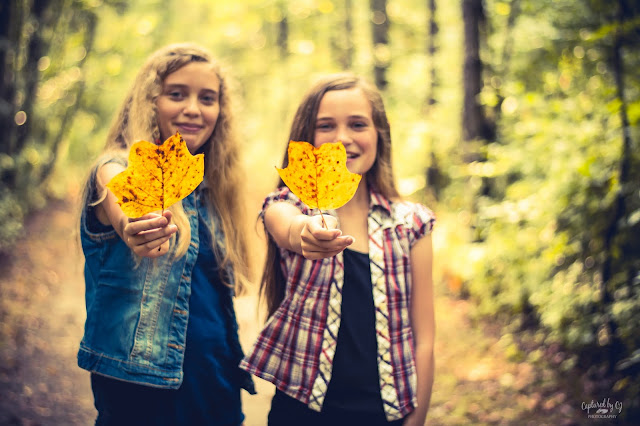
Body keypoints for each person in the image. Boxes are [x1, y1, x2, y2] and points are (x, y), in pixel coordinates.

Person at [240, 73, 436, 426]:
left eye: (358, 124)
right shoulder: (289, 205)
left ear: (380, 135)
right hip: (301, 414)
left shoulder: (412, 223)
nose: (342, 139)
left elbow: (424, 337)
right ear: (305, 138)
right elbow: (286, 224)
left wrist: (417, 418)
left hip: (387, 415)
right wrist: (307, 231)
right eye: (326, 126)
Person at [77, 42, 255, 426]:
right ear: (149, 101)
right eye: (177, 94)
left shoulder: (212, 186)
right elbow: (124, 206)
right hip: (143, 394)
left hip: (217, 382)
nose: (194, 108)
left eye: (207, 98)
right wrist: (135, 227)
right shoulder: (114, 167)